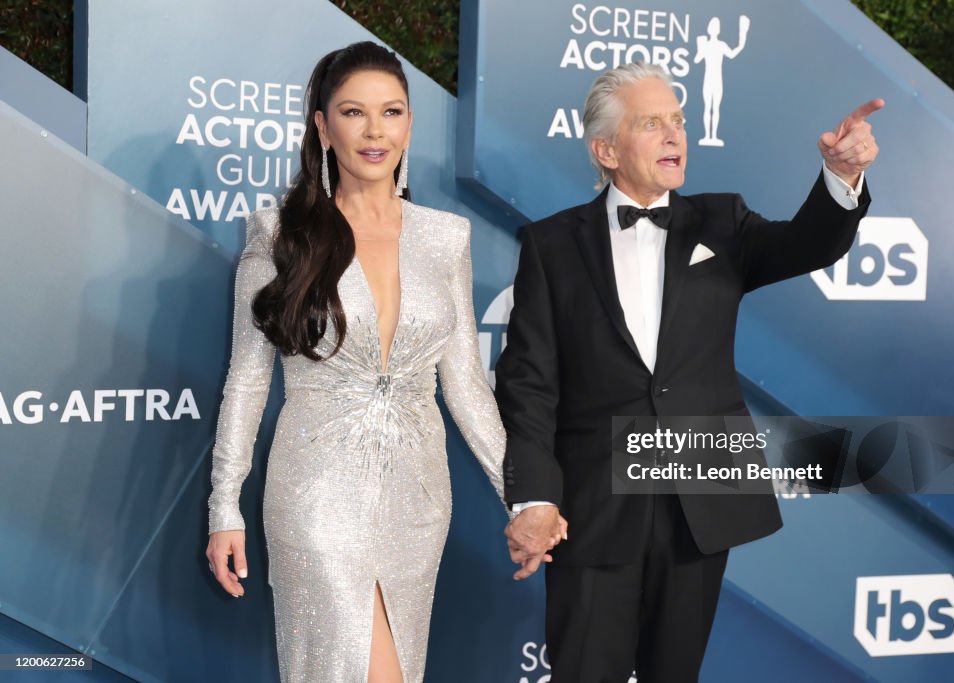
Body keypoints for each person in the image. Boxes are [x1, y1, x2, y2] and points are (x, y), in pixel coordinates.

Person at [497, 61, 881, 681]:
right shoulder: (550, 245)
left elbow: (809, 244)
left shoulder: (722, 221)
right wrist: (536, 497)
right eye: (652, 123)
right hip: (595, 504)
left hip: (700, 499)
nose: (676, 134)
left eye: (678, 120)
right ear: (606, 149)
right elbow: (528, 385)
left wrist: (841, 175)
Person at [204, 42, 515, 683]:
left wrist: (523, 497)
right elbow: (247, 379)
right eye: (353, 112)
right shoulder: (278, 234)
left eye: (392, 112)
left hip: (419, 495)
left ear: (408, 123)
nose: (375, 131)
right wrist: (224, 506)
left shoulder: (445, 238)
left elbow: (462, 382)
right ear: (322, 126)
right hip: (316, 493)